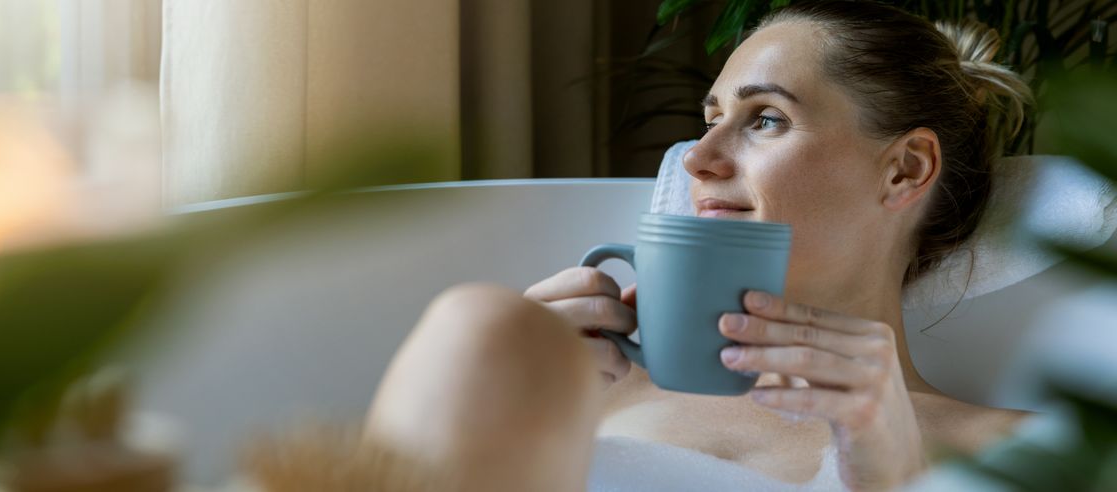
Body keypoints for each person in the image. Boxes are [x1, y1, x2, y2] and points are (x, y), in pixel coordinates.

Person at [252, 2, 1035, 491]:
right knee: (479, 326)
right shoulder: (592, 391)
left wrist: (891, 476)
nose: (696, 157)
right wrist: (509, 382)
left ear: (904, 169)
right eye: (709, 117)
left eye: (764, 119)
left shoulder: (1027, 449)